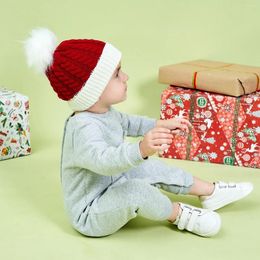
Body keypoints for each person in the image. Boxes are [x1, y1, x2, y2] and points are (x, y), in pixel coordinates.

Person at [24, 28, 253, 238]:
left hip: (114, 182)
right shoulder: (82, 129)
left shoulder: (105, 112)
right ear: (92, 90)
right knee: (136, 190)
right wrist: (141, 149)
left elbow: (130, 123)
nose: (125, 77)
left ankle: (209, 192)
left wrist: (161, 124)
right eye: (117, 74)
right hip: (92, 212)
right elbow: (104, 161)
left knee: (149, 167)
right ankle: (178, 214)